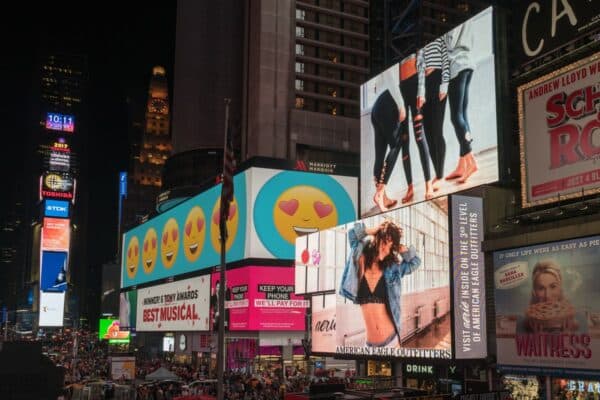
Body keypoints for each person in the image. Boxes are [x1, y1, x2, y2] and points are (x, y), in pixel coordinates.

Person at [339, 220, 421, 347]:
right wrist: (373, 230)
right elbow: (352, 234)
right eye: (384, 243)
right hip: (369, 345)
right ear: (376, 239)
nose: (385, 249)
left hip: (392, 342)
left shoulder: (393, 268)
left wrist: (402, 249)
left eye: (390, 247)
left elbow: (415, 262)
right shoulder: (359, 257)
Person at [444, 21, 477, 183]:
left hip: (457, 65)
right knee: (462, 115)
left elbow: (449, 42)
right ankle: (462, 163)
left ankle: (471, 160)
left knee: (455, 117)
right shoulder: (469, 19)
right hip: (468, 63)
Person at [399, 51, 434, 201]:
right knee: (403, 140)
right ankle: (410, 187)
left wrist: (421, 91)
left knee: (420, 137)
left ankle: (429, 185)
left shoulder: (415, 42)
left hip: (414, 85)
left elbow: (421, 62)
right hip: (400, 90)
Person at [370, 69, 406, 212]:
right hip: (388, 102)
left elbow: (376, 87)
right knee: (396, 145)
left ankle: (383, 198)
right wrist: (401, 104)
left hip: (376, 107)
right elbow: (391, 80)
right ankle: (380, 193)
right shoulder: (390, 65)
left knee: (380, 154)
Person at [418, 36, 450, 192]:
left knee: (437, 131)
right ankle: (437, 175)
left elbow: (446, 60)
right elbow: (419, 69)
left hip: (437, 81)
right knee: (428, 135)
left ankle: (440, 174)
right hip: (424, 87)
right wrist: (420, 93)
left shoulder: (439, 39)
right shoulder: (419, 48)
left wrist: (444, 85)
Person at [524, 260, 580, 333]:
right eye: (541, 288)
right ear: (534, 292)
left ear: (560, 288)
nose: (547, 295)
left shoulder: (579, 324)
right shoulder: (522, 326)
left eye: (553, 286)